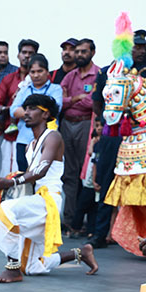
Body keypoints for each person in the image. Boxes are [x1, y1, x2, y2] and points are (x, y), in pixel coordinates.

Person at [0, 94, 97, 283]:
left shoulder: (53, 136)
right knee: (32, 267)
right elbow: (31, 177)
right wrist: (8, 180)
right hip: (36, 200)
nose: (26, 113)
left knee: (4, 211)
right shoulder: (30, 145)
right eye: (26, 108)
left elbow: (41, 170)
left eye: (32, 108)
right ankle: (80, 253)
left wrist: (12, 183)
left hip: (49, 202)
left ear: (46, 114)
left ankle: (12, 269)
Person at [87, 29, 146, 249]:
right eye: (135, 46)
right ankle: (100, 233)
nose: (139, 50)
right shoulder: (110, 71)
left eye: (143, 47)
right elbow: (98, 101)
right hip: (115, 134)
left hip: (142, 133)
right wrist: (105, 123)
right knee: (107, 180)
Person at [60, 38, 99, 226]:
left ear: (92, 52)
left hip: (86, 125)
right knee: (69, 173)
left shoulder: (98, 74)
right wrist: (76, 98)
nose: (79, 55)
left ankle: (84, 222)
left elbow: (92, 102)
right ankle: (69, 220)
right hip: (67, 125)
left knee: (87, 174)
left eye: (84, 51)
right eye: (78, 52)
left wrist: (71, 100)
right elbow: (60, 100)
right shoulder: (70, 75)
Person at [10, 54, 63, 173]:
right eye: (32, 72)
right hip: (24, 140)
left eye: (40, 71)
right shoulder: (24, 90)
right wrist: (38, 113)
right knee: (24, 176)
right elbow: (13, 111)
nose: (36, 75)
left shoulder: (55, 89)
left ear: (47, 72)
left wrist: (26, 113)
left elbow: (55, 109)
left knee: (43, 174)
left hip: (48, 140)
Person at [0, 40, 39, 178]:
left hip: (33, 136)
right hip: (11, 135)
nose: (26, 56)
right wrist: (13, 108)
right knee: (9, 174)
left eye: (30, 53)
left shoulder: (40, 80)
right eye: (24, 52)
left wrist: (22, 111)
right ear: (18, 55)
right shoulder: (9, 79)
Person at [69, 118, 101, 239]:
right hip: (89, 178)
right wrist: (93, 143)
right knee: (82, 204)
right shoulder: (94, 141)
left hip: (96, 176)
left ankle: (90, 230)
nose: (98, 128)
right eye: (96, 126)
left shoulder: (103, 142)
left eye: (100, 126)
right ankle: (75, 227)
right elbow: (90, 153)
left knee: (93, 206)